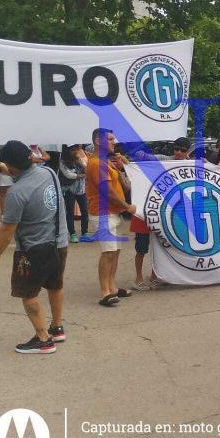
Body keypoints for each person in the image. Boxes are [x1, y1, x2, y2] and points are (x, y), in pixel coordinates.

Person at [0, 141, 68, 354]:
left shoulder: (16, 193)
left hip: (34, 249)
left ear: (11, 167)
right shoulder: (48, 172)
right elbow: (29, 177)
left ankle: (43, 339)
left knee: (28, 293)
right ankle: (57, 327)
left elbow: (7, 229)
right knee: (55, 284)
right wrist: (12, 171)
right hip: (59, 241)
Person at [86, 128, 137, 307]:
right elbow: (107, 192)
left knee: (114, 252)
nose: (113, 142)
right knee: (108, 253)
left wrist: (123, 167)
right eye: (110, 139)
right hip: (103, 213)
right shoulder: (96, 164)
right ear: (98, 141)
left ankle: (112, 288)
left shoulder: (104, 162)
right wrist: (127, 207)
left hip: (112, 212)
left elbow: (123, 186)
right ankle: (104, 292)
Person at [59, 145, 88, 244]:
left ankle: (85, 233)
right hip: (69, 190)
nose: (76, 151)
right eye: (73, 149)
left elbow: (87, 168)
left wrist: (79, 161)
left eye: (76, 149)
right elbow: (68, 175)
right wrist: (81, 175)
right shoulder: (63, 161)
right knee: (70, 212)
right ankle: (72, 234)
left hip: (81, 189)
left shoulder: (79, 157)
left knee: (85, 211)